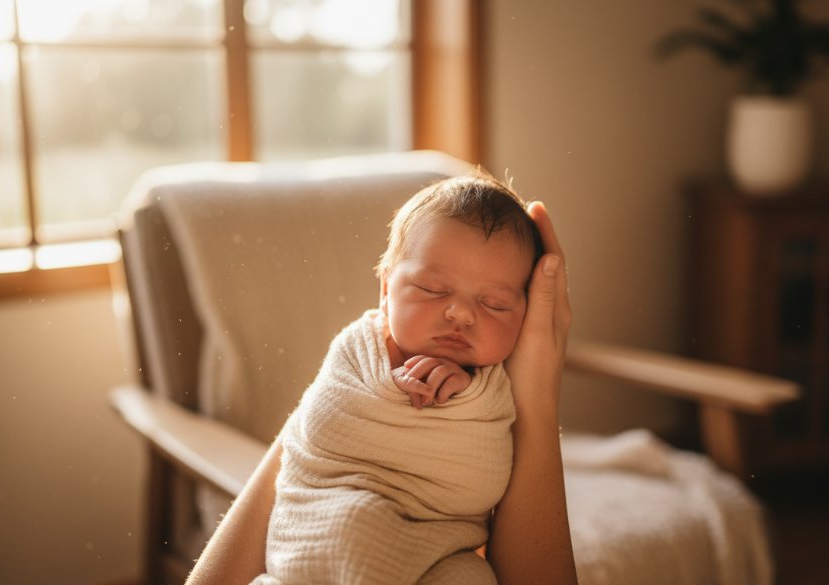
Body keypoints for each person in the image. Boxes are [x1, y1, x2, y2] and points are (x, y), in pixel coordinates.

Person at [185, 178, 578, 585]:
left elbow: (478, 469)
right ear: (385, 290)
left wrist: (467, 397)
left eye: (494, 304)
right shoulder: (360, 351)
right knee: (353, 525)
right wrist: (392, 389)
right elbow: (324, 426)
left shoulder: (495, 390)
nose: (461, 314)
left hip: (438, 555)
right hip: (327, 532)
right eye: (431, 288)